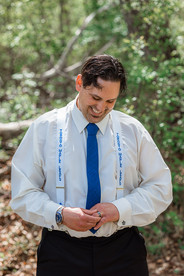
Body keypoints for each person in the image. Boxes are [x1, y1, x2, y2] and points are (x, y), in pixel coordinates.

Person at [10, 54, 172, 276]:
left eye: (110, 101)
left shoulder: (132, 130)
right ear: (79, 83)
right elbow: (22, 193)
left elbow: (160, 188)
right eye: (95, 97)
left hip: (123, 251)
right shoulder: (44, 129)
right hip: (60, 252)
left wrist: (119, 209)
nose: (100, 108)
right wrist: (60, 214)